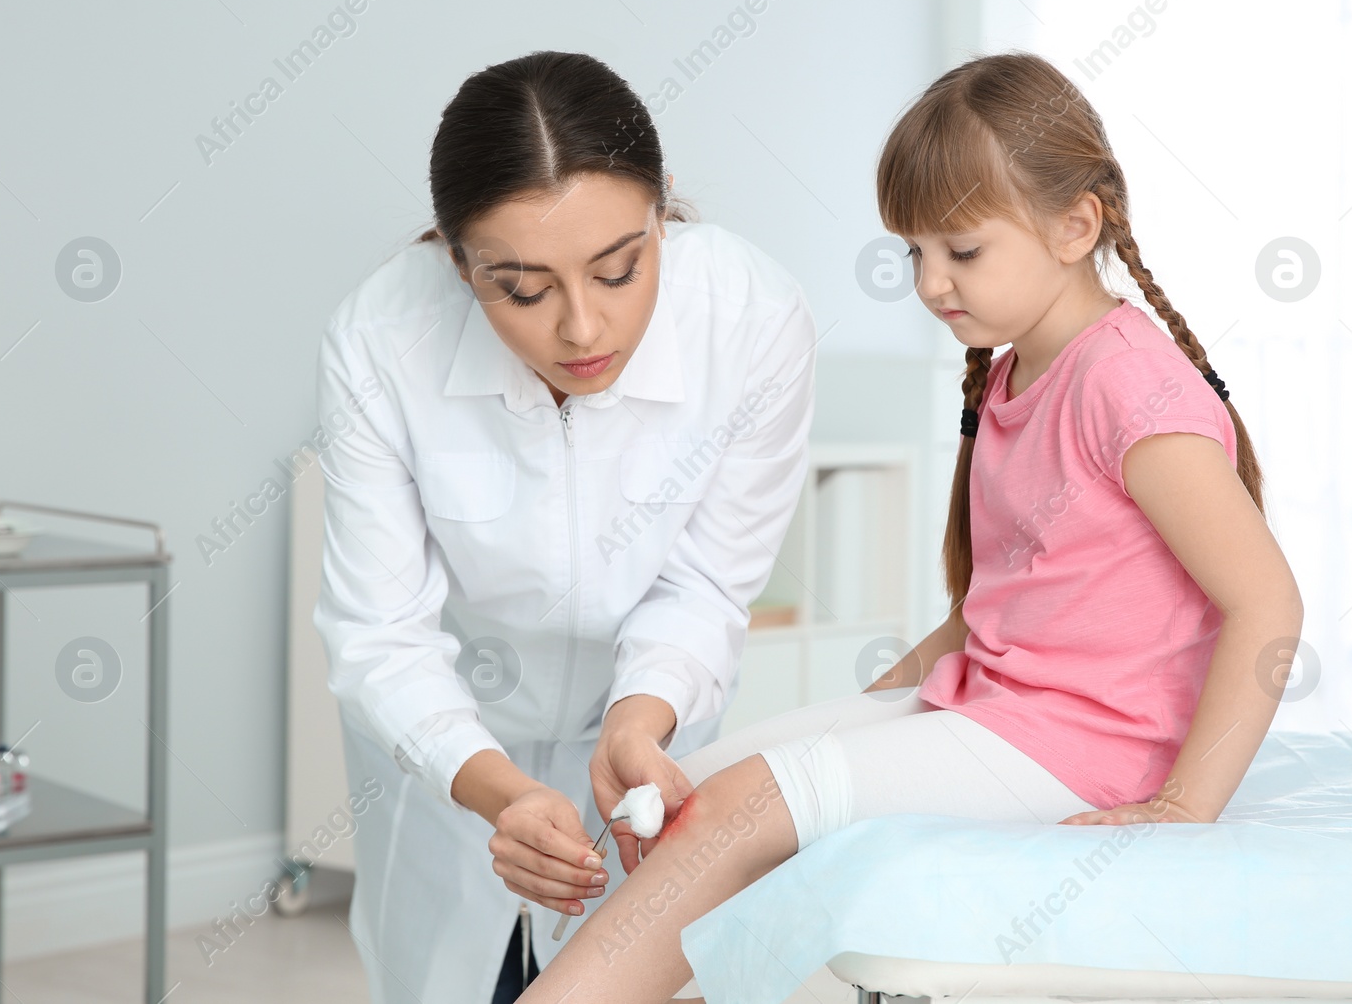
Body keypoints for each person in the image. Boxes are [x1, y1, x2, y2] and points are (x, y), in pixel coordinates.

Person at [514, 50, 1305, 1003]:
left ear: (1075, 224)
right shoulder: (1019, 371)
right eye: (914, 254)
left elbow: (1268, 605)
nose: (932, 284)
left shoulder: (1126, 384)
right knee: (691, 790)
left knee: (738, 809)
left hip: (1092, 747)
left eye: (961, 252)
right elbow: (997, 609)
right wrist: (869, 716)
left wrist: (1184, 804)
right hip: (1006, 713)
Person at [311, 50, 817, 1002]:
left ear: (663, 211)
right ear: (457, 263)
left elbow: (706, 584)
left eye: (620, 269)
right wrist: (494, 788)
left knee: (628, 975)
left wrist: (642, 710)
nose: (584, 328)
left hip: (644, 733)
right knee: (448, 981)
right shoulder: (382, 338)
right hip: (448, 739)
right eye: (525, 290)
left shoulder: (753, 319)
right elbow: (379, 632)